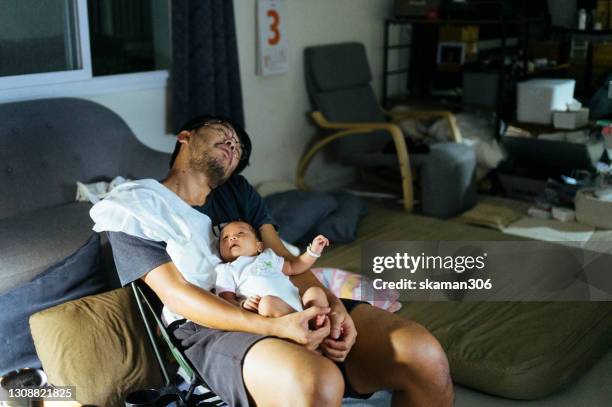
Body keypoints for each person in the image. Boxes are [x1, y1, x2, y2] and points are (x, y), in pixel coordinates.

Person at [101, 115, 454, 406]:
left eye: (238, 148)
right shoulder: (135, 206)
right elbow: (177, 295)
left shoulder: (238, 192)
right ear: (185, 137)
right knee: (318, 381)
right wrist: (275, 327)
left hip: (288, 296)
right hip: (212, 325)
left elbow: (283, 258)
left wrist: (334, 308)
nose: (232, 144)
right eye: (223, 134)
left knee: (422, 353)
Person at [216, 220, 329, 327]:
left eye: (240, 233)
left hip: (299, 305)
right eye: (225, 238)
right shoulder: (226, 270)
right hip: (275, 313)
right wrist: (243, 304)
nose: (232, 238)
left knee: (315, 291)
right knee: (267, 303)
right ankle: (304, 323)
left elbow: (294, 267)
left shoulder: (268, 256)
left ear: (259, 246)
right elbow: (226, 301)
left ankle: (318, 322)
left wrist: (313, 252)